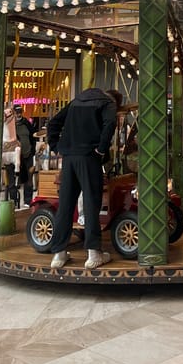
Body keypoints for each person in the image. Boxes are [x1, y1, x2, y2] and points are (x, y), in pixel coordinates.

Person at [47, 88, 117, 269]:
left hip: (69, 158)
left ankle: (59, 253)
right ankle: (93, 253)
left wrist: (56, 146)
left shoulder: (76, 101)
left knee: (65, 205)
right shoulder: (107, 104)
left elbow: (53, 122)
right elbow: (110, 124)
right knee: (91, 203)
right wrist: (101, 149)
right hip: (89, 157)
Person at [13, 104, 36, 207]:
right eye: (16, 112)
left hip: (28, 154)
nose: (18, 114)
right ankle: (13, 201)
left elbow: (33, 137)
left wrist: (32, 151)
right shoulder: (11, 125)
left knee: (28, 178)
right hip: (15, 156)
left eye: (19, 112)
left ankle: (28, 201)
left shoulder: (27, 123)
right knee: (14, 179)